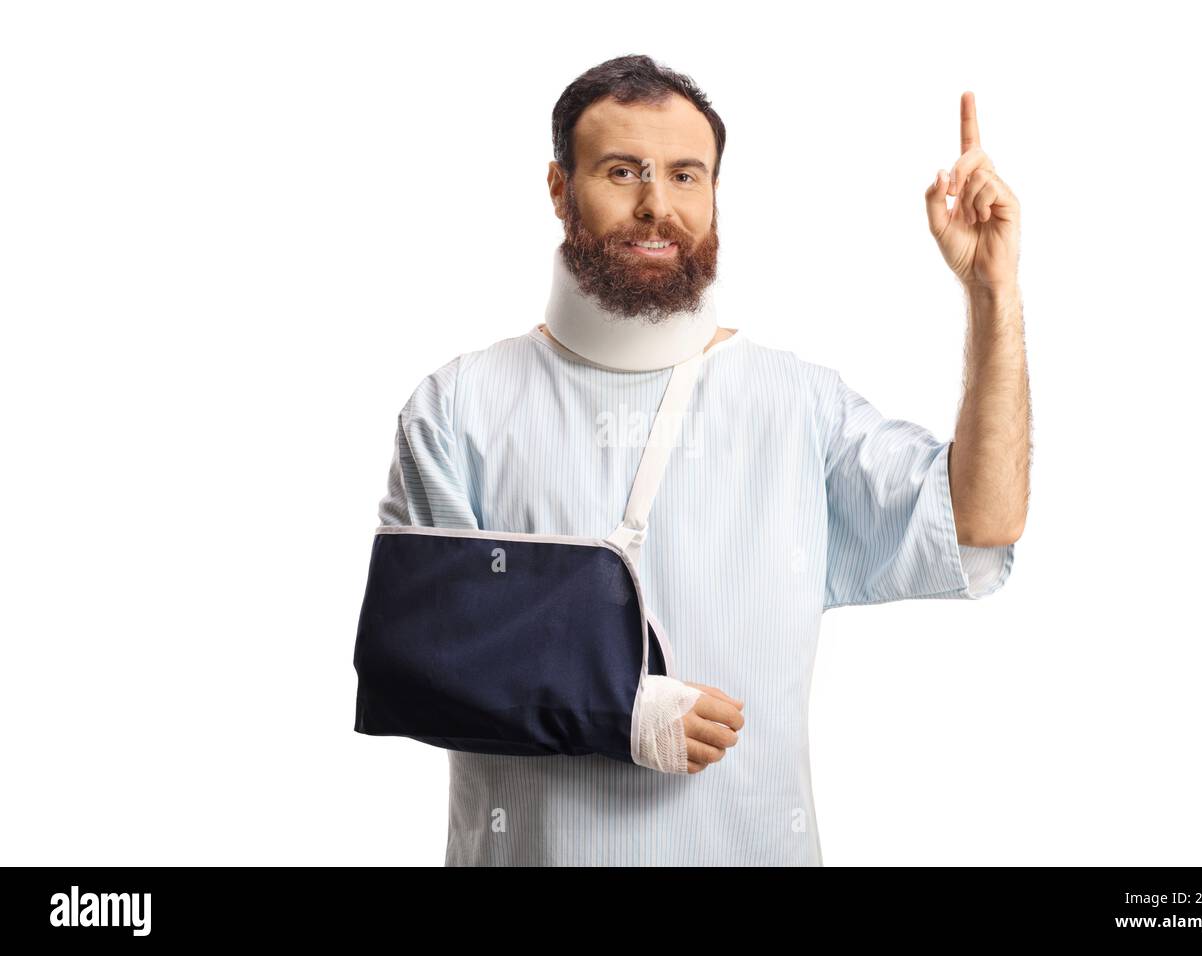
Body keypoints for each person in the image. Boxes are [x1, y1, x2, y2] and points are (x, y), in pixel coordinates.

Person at [375, 55, 1030, 866]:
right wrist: (618, 708)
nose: (658, 205)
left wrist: (991, 292)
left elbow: (981, 518)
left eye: (687, 175)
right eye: (623, 172)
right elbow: (418, 663)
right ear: (558, 189)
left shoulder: (797, 404)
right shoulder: (458, 406)